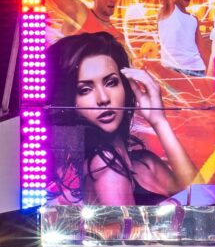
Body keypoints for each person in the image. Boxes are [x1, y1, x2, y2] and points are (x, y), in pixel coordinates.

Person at [48, 30, 197, 205]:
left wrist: (159, 121)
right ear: (70, 101)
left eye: (111, 82)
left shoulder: (146, 162)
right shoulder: (104, 163)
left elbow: (205, 203)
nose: (103, 98)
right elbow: (127, 232)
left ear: (126, 87)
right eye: (85, 90)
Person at [156, 0, 209, 76]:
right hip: (173, 70)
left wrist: (212, 75)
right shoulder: (167, 9)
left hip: (197, 70)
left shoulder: (194, 19)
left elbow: (202, 50)